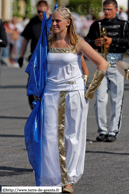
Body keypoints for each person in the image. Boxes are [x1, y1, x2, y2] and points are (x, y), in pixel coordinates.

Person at [27, 6, 108, 192]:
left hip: (74, 93)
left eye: (57, 21)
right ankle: (51, 179)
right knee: (49, 136)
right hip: (50, 94)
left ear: (68, 22)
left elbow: (102, 64)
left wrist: (89, 92)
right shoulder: (46, 42)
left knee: (72, 136)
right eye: (52, 20)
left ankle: (68, 180)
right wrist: (36, 89)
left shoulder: (77, 42)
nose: (53, 23)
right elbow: (37, 67)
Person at [85, 0, 129, 142]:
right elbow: (86, 41)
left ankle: (113, 131)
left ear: (116, 9)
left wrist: (113, 41)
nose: (107, 12)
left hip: (117, 62)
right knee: (100, 98)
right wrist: (94, 43)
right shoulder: (97, 24)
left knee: (116, 98)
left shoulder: (124, 25)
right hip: (101, 63)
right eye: (105, 9)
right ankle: (102, 130)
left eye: (109, 9)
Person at [18, 0, 51, 109]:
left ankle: (48, 109)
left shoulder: (53, 21)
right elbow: (25, 39)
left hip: (50, 58)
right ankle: (35, 109)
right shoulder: (33, 21)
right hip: (35, 59)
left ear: (48, 9)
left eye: (43, 11)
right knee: (32, 85)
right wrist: (21, 56)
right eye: (39, 11)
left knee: (48, 85)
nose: (41, 14)